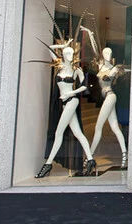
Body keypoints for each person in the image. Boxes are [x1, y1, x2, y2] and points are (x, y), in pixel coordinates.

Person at [36, 40, 96, 178]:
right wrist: (62, 46)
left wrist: (70, 93)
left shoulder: (76, 71)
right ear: (63, 54)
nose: (70, 55)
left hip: (72, 101)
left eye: (71, 53)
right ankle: (91, 160)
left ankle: (47, 165)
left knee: (59, 133)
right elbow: (50, 48)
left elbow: (84, 86)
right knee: (77, 133)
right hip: (65, 103)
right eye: (67, 53)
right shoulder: (60, 67)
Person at [89, 47, 128, 169]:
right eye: (106, 52)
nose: (108, 55)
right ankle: (124, 154)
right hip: (106, 97)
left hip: (110, 96)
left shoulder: (113, 69)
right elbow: (94, 50)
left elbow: (117, 73)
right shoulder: (100, 66)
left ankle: (90, 157)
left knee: (98, 127)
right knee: (115, 127)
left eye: (110, 53)